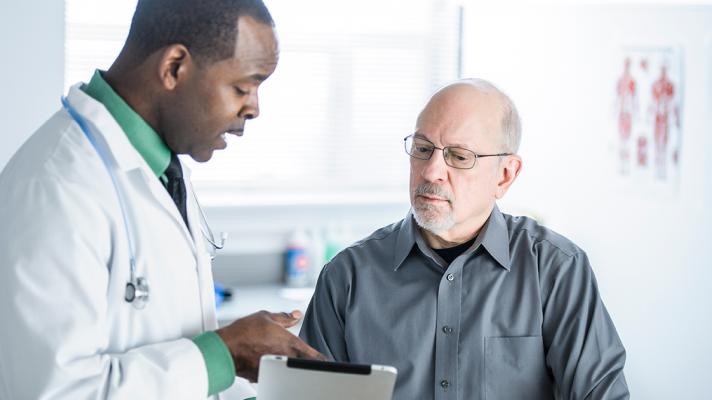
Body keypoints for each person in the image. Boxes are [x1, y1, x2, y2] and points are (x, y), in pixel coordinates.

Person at [0, 0, 323, 399]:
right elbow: (56, 392)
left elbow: (171, 350)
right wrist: (225, 353)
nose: (254, 108)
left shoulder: (161, 170)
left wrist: (237, 364)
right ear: (173, 68)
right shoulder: (56, 187)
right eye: (243, 87)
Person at [300, 79, 629, 399]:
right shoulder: (347, 277)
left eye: (459, 156)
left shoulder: (556, 270)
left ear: (505, 175)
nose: (431, 172)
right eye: (422, 148)